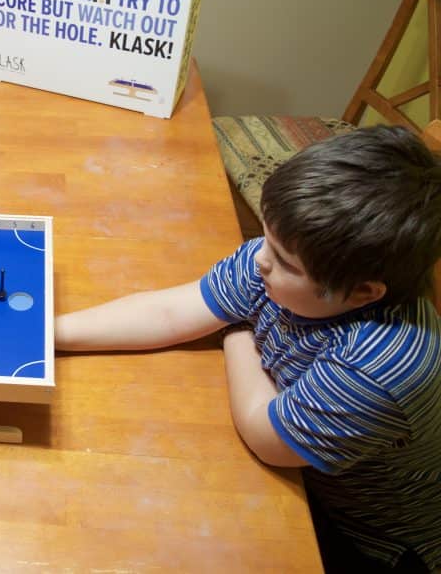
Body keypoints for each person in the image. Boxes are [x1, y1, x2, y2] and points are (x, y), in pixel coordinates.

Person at [55, 125, 441, 573]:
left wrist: (235, 334)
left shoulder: (381, 365)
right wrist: (50, 333)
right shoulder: (283, 260)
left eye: (284, 261)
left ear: (362, 293)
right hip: (308, 468)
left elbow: (266, 436)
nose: (259, 258)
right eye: (266, 237)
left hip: (371, 535)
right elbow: (170, 312)